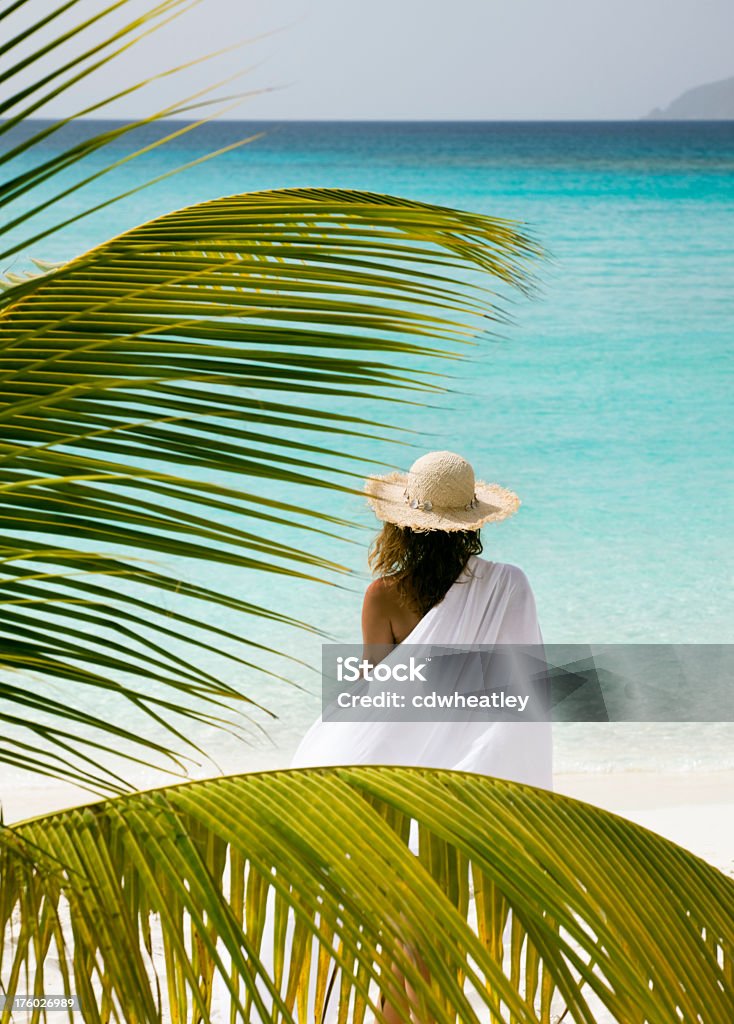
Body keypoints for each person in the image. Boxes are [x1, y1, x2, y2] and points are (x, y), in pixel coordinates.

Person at [291, 450, 553, 1021]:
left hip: (391, 775)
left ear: (400, 522)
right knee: (444, 919)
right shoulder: (508, 585)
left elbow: (369, 694)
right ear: (473, 523)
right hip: (467, 782)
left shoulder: (384, 594)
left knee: (395, 925)